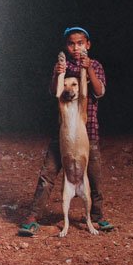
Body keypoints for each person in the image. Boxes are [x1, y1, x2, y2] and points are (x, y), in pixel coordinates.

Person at [19, 26, 112, 236]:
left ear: (88, 45)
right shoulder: (63, 66)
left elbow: (98, 91)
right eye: (71, 43)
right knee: (47, 175)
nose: (76, 47)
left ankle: (97, 217)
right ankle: (33, 216)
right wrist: (57, 73)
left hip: (88, 133)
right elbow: (55, 91)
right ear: (66, 46)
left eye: (80, 43)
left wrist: (88, 69)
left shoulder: (95, 65)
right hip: (62, 133)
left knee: (94, 177)